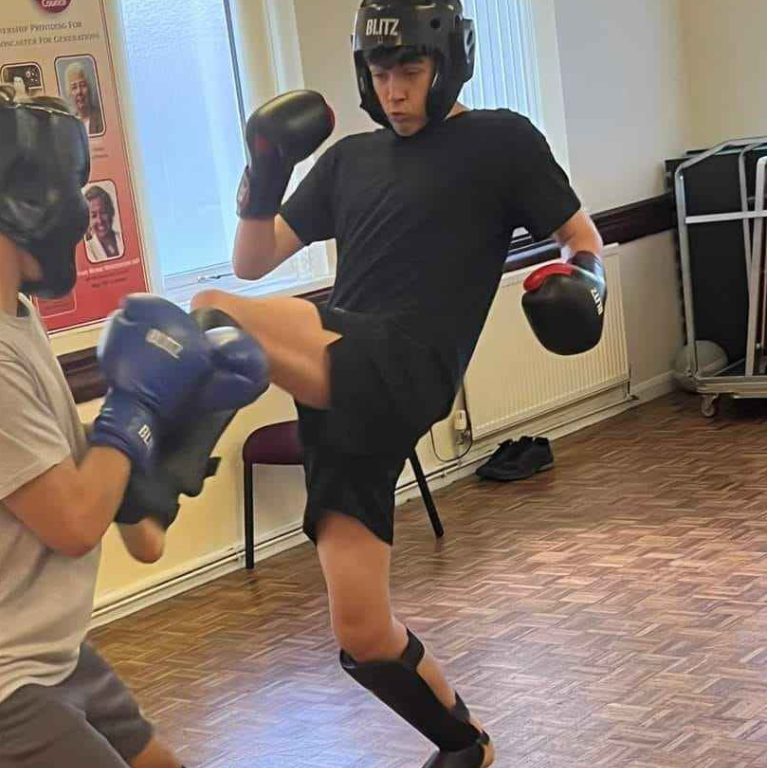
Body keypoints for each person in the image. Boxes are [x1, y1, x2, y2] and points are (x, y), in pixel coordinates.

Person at [191, 2, 607, 766]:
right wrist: (265, 175)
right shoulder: (350, 160)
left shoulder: (503, 141)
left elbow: (581, 236)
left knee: (210, 311)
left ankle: (156, 466)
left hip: (406, 361)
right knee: (361, 633)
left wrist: (583, 281)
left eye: (410, 69)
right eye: (381, 73)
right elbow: (253, 260)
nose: (395, 90)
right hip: (345, 394)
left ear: (448, 63)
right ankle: (465, 746)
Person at [0, 84, 268, 768]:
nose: (81, 217)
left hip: (30, 645)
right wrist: (136, 406)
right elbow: (75, 522)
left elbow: (88, 493)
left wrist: (170, 440)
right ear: (26, 200)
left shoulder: (0, 313)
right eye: (71, 190)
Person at [86, 185, 125, 262]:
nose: (100, 220)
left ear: (111, 211)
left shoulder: (125, 238)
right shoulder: (88, 250)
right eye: (94, 216)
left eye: (103, 212)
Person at [67, 60, 105, 135]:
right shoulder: (68, 125)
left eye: (82, 85)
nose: (79, 91)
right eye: (74, 87)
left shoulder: (102, 118)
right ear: (69, 93)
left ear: (89, 88)